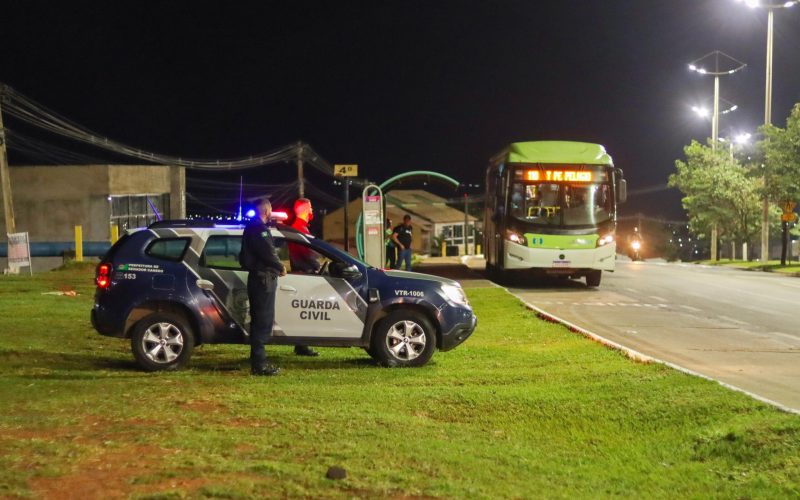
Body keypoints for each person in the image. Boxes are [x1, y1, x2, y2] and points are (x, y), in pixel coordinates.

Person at [239, 198, 285, 376]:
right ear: (266, 211)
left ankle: (258, 362)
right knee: (262, 321)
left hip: (258, 278)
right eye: (271, 209)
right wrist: (280, 267)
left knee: (259, 320)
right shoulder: (259, 229)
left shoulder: (251, 227)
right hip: (263, 279)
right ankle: (259, 365)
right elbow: (267, 252)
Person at [287, 198, 321, 357]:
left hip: (301, 272)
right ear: (306, 209)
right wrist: (317, 265)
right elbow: (307, 252)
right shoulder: (300, 229)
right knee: (305, 312)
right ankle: (302, 345)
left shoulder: (298, 228)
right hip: (304, 273)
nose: (313, 210)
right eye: (311, 207)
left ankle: (301, 345)